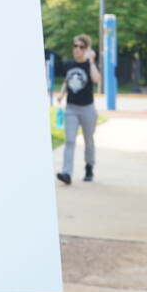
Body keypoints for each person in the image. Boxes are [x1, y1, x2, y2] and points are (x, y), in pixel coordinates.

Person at [56, 34, 101, 185]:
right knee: (69, 141)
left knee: (88, 140)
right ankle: (67, 173)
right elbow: (66, 81)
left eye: (81, 47)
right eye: (75, 46)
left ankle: (89, 166)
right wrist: (62, 94)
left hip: (87, 108)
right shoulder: (69, 64)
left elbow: (96, 79)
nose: (77, 49)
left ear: (87, 49)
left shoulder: (90, 65)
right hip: (71, 109)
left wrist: (91, 61)